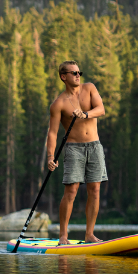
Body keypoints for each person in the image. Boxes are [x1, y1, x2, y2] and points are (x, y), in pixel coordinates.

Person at [47, 60, 106, 245]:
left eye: (79, 71)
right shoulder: (59, 104)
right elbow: (53, 133)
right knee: (71, 192)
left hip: (95, 146)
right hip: (73, 149)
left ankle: (89, 235)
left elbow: (101, 109)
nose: (78, 75)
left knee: (94, 190)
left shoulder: (89, 88)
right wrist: (50, 157)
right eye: (73, 73)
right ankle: (63, 236)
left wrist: (86, 114)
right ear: (63, 77)